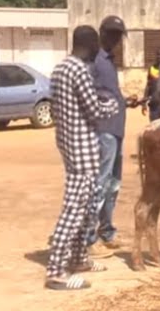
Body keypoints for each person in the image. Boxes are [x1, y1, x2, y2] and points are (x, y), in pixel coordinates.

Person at [45, 26, 122, 291]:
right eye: (96, 45)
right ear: (90, 44)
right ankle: (56, 271)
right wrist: (113, 104)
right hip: (83, 146)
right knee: (75, 208)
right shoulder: (79, 70)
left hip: (68, 142)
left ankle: (79, 259)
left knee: (88, 205)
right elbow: (94, 110)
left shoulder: (60, 68)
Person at [85, 16, 128, 257]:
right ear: (101, 33)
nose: (115, 39)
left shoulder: (109, 60)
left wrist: (123, 101)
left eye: (118, 35)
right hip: (103, 131)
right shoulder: (94, 60)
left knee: (113, 184)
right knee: (99, 183)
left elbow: (107, 93)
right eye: (111, 34)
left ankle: (107, 231)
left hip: (116, 129)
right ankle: (88, 240)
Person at [144, 47, 160, 122]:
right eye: (158, 55)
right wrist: (144, 102)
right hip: (154, 105)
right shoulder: (152, 69)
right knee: (154, 126)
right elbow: (148, 85)